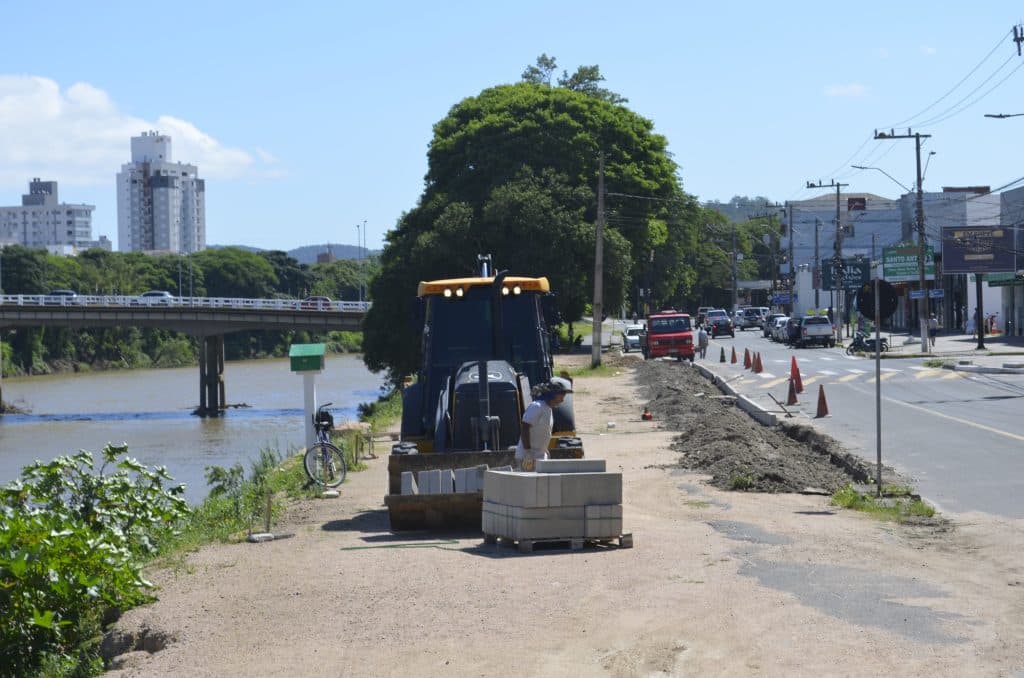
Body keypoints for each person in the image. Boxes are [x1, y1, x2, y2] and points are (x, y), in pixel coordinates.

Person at [515, 381, 571, 471]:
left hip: (539, 456)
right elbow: (525, 428)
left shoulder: (548, 408)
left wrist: (544, 449)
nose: (562, 400)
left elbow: (543, 432)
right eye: (561, 396)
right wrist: (527, 452)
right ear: (553, 395)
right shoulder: (537, 406)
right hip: (528, 456)